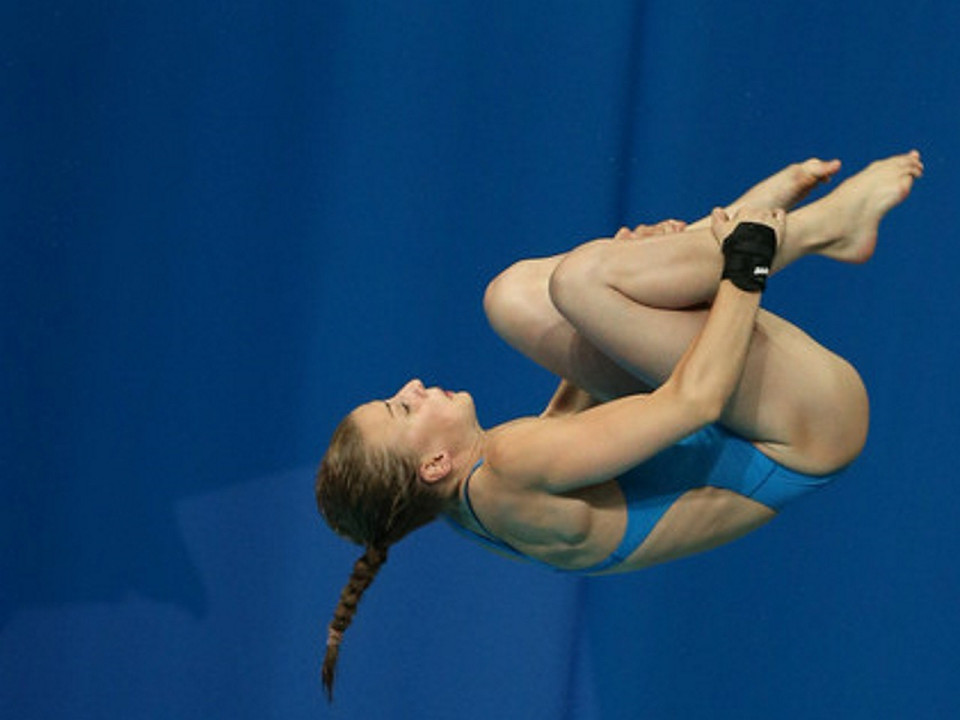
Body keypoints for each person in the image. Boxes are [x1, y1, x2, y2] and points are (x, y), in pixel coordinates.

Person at [314, 151, 924, 699]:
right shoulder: (506, 464)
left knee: (515, 297)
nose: (411, 388)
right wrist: (747, 260)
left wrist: (635, 277)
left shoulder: (471, 499)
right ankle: (822, 227)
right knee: (583, 283)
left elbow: (572, 429)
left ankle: (731, 230)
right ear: (433, 464)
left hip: (742, 426)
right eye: (401, 409)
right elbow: (697, 400)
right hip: (808, 430)